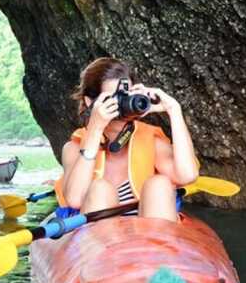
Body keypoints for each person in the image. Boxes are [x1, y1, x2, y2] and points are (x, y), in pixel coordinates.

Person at [54, 57, 199, 222]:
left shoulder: (149, 140)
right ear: (90, 102)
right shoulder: (74, 147)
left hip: (152, 238)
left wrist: (174, 110)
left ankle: (157, 245)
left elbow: (187, 175)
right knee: (100, 189)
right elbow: (75, 198)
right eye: (114, 97)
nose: (122, 103)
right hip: (98, 240)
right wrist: (95, 129)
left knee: (160, 184)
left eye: (126, 95)